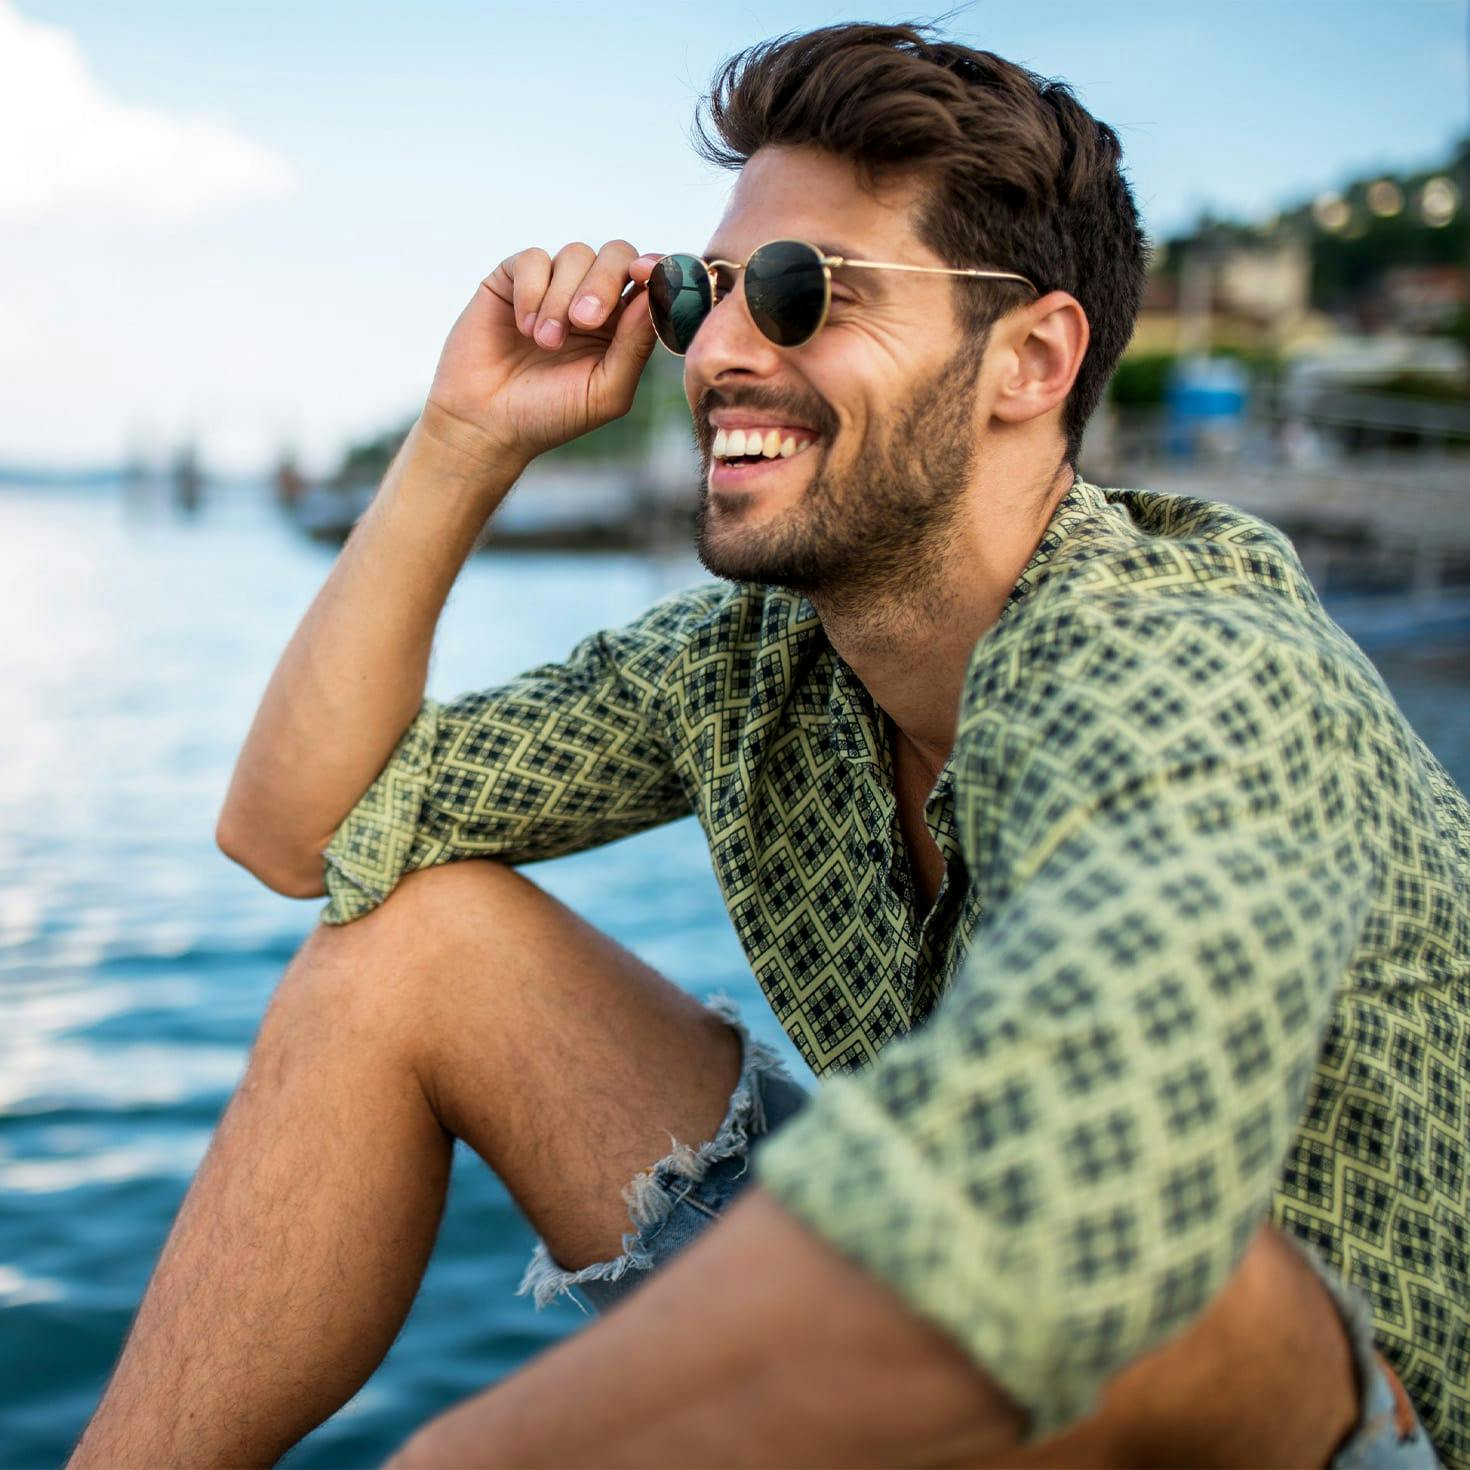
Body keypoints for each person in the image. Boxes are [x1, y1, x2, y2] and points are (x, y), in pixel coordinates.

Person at [70, 22, 1466, 1469]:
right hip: (989, 1321)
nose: (723, 350)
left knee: (1188, 1290)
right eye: (702, 293)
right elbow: (297, 832)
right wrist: (461, 438)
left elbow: (1074, 1202)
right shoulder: (755, 664)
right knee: (412, 945)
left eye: (804, 294)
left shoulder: (1181, 663)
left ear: (1030, 359)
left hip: (1330, 1422)